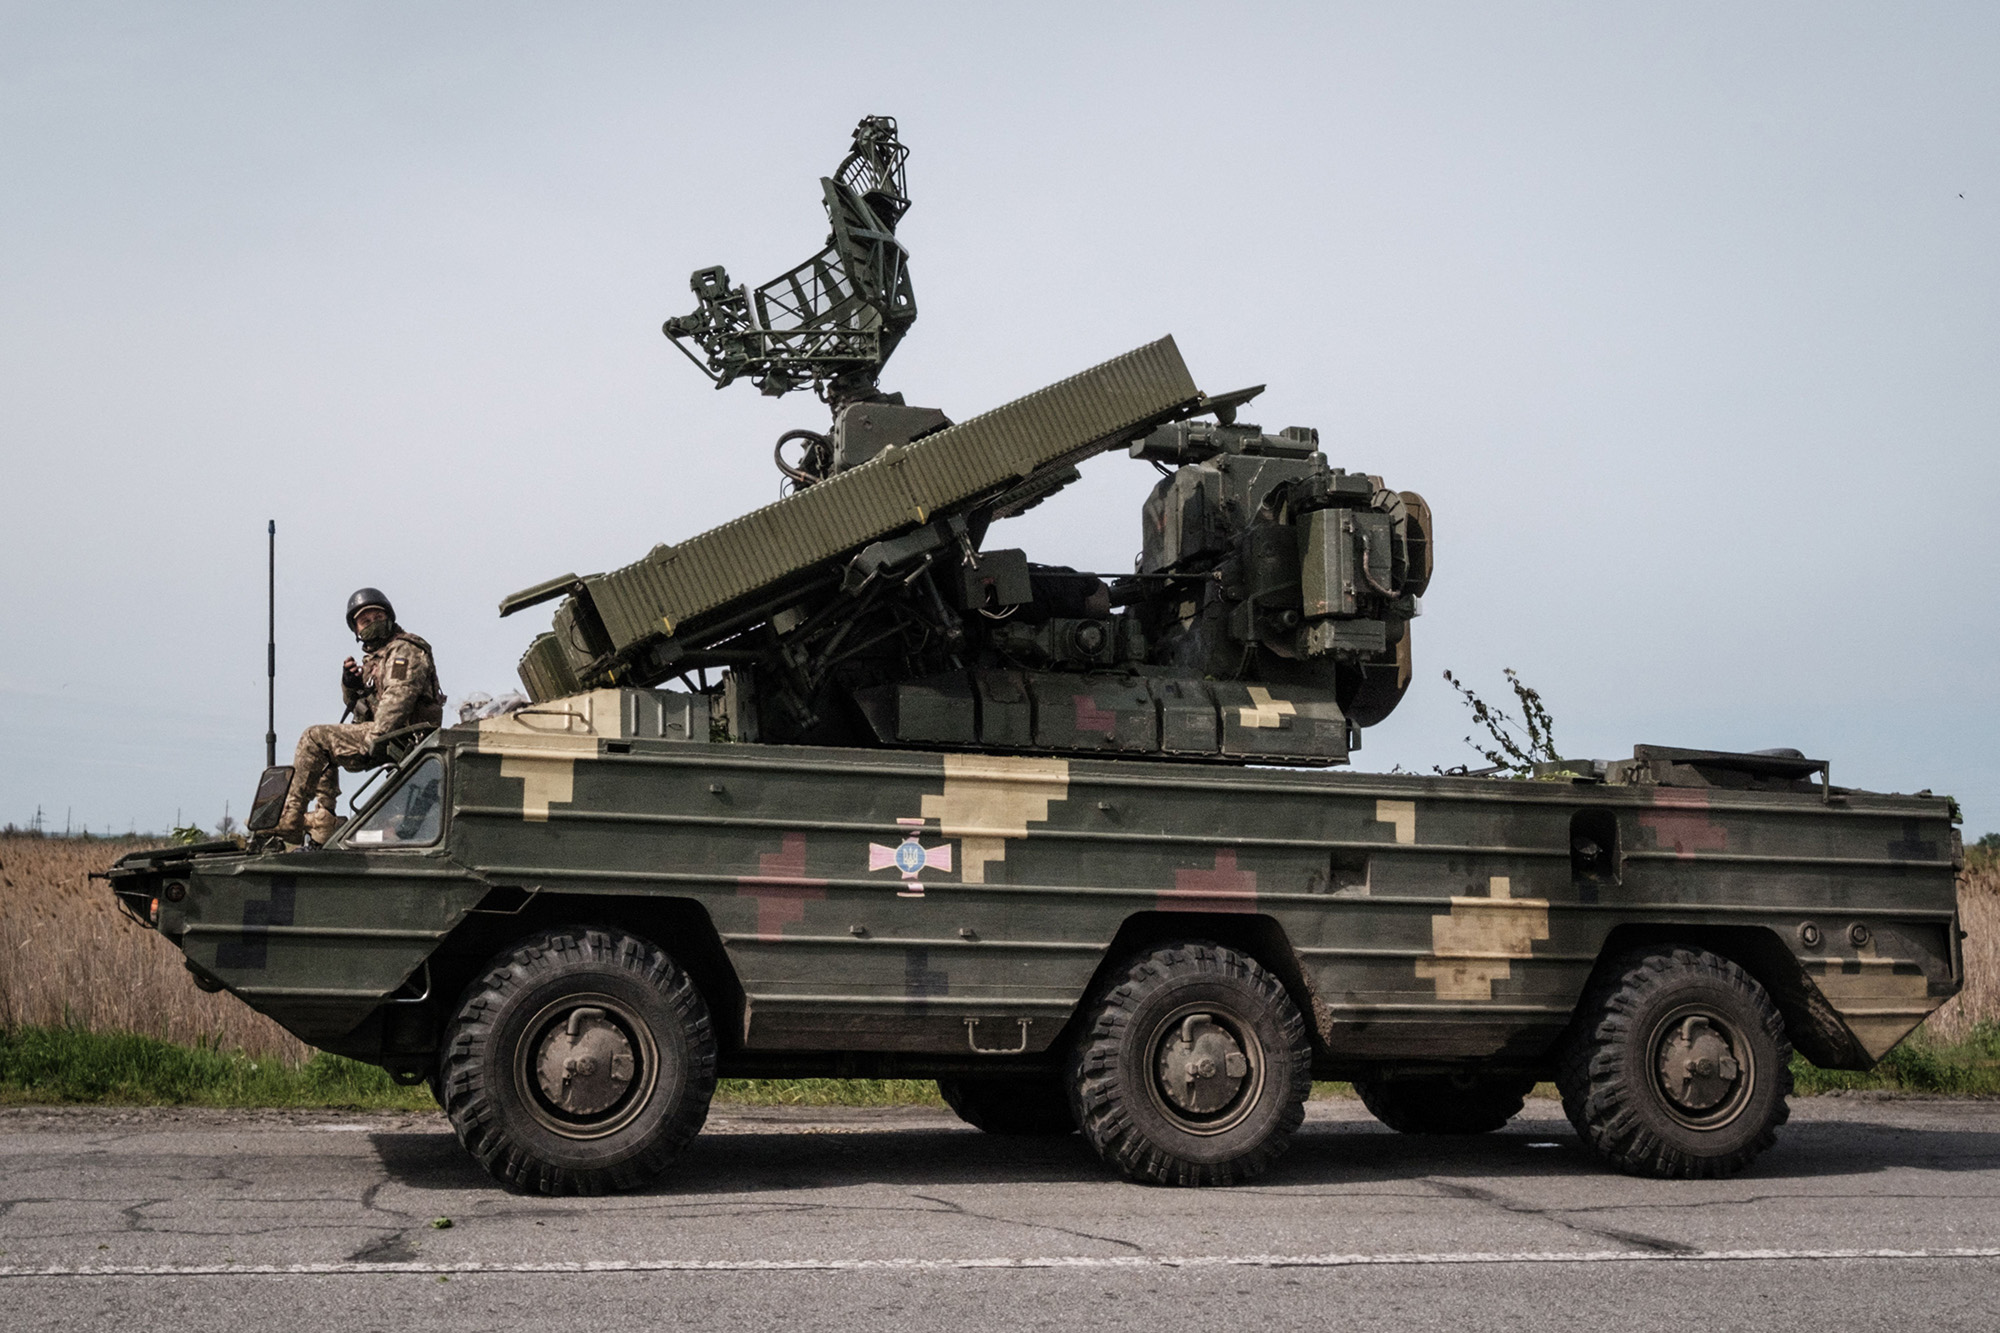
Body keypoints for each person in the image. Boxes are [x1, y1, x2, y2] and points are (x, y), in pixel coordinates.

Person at [274, 588, 446, 846]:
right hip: (392, 738)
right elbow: (361, 706)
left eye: (377, 616)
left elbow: (398, 699)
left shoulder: (403, 650)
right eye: (365, 621)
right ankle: (324, 817)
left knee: (315, 737)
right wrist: (351, 685)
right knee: (324, 750)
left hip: (406, 738)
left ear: (389, 617)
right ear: (356, 630)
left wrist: (373, 739)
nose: (372, 623)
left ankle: (290, 815)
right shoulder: (376, 659)